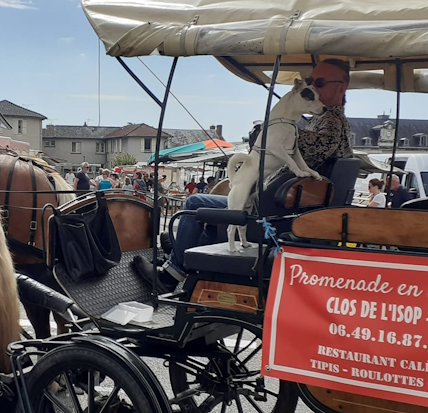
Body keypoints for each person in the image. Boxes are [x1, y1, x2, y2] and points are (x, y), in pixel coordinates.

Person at [134, 58, 354, 292]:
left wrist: (262, 131)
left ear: (340, 88)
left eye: (318, 82)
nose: (312, 87)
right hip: (284, 209)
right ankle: (184, 252)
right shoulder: (328, 124)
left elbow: (295, 153)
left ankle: (170, 275)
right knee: (211, 213)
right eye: (310, 82)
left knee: (194, 202)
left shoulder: (330, 123)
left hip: (274, 215)